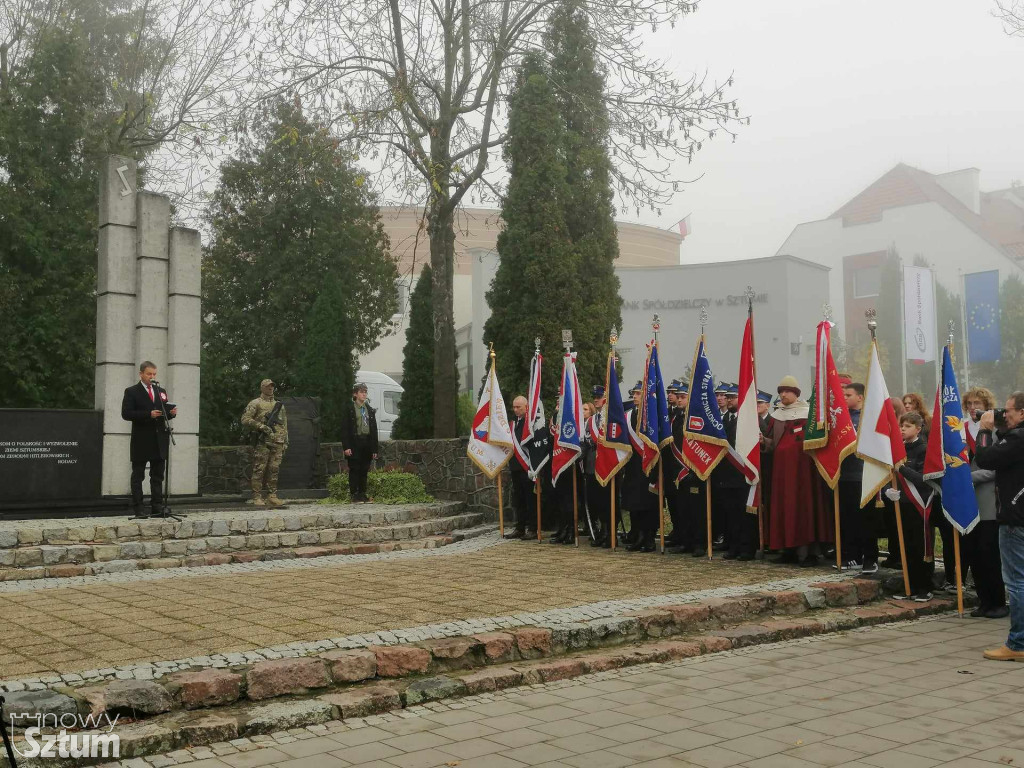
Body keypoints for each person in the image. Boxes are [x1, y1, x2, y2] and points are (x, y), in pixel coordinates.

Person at [976, 392, 1024, 661]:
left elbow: (985, 458)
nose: (1004, 415)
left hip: (1015, 519)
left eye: (1009, 410)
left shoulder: (1018, 438)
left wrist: (984, 430)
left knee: (1017, 583)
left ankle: (1017, 644)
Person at [763, 375, 828, 566]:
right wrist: (762, 442)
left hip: (803, 474)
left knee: (803, 508)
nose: (783, 394)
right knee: (783, 508)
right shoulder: (776, 416)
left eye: (787, 391)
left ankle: (808, 553)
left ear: (796, 393)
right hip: (781, 473)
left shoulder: (808, 414)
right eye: (781, 391)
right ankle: (787, 550)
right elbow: (772, 443)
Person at [121, 361, 177, 517]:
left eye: (154, 374)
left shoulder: (161, 391)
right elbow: (126, 414)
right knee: (138, 475)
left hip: (159, 440)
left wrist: (172, 412)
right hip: (141, 440)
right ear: (141, 374)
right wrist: (148, 414)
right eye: (149, 374)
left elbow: (165, 411)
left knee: (157, 475)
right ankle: (138, 507)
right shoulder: (132, 391)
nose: (152, 377)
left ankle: (157, 506)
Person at [889, 412, 935, 601]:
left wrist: (903, 469)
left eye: (907, 426)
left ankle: (925, 587)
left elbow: (923, 479)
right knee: (905, 546)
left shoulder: (924, 448)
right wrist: (888, 491)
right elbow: (889, 474)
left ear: (918, 428)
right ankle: (910, 585)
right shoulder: (897, 449)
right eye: (901, 426)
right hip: (902, 504)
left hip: (920, 505)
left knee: (921, 546)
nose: (902, 430)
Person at [838, 382, 874, 572]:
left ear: (860, 397)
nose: (844, 398)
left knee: (865, 519)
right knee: (847, 518)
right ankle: (851, 556)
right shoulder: (842, 417)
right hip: (844, 474)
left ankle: (870, 558)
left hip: (864, 473)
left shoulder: (868, 416)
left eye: (848, 395)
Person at [719, 384, 756, 560]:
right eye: (727, 397)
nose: (729, 400)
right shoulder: (723, 419)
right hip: (726, 476)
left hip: (743, 475)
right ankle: (733, 546)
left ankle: (746, 548)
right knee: (730, 514)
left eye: (732, 397)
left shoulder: (748, 420)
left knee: (744, 515)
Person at [240, 379, 289, 508]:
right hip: (263, 442)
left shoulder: (279, 405)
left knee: (274, 469)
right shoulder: (255, 403)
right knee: (259, 469)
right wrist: (261, 426)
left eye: (272, 386)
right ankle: (257, 496)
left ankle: (272, 496)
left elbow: (284, 424)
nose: (270, 389)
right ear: (262, 387)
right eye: (267, 387)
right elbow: (245, 419)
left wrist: (285, 441)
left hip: (278, 441)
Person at [622, 382, 657, 551]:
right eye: (633, 394)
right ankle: (637, 534)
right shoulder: (628, 416)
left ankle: (648, 537)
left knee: (648, 503)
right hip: (632, 466)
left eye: (637, 393)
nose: (634, 397)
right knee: (634, 502)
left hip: (649, 465)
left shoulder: (652, 415)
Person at [341, 382, 379, 503]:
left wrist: (374, 449)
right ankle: (354, 495)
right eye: (362, 392)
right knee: (355, 469)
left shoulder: (369, 409)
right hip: (355, 442)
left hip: (367, 442)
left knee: (364, 469)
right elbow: (345, 429)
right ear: (355, 394)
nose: (364, 394)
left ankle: (363, 493)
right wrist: (346, 446)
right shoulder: (350, 409)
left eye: (365, 392)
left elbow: (374, 429)